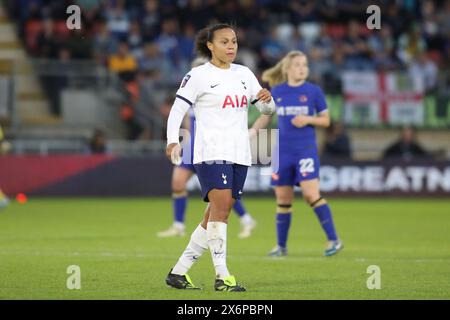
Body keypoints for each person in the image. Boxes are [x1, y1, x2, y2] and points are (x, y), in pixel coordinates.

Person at [164, 23, 275, 291]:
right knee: (222, 209)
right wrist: (171, 141)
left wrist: (267, 100)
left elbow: (267, 109)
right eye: (224, 42)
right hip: (211, 151)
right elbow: (177, 110)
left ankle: (178, 272)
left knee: (216, 211)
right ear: (210, 46)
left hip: (240, 152)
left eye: (234, 41)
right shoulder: (197, 75)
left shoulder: (245, 74)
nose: (231, 46)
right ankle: (222, 276)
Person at [251, 50, 343, 257]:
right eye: (298, 65)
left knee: (311, 194)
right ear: (287, 69)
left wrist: (308, 119)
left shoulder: (313, 91)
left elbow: (326, 120)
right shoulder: (277, 90)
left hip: (305, 151)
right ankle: (281, 247)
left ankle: (334, 240)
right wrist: (252, 132)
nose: (302, 68)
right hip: (282, 153)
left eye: (305, 64)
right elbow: (266, 116)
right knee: (283, 200)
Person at [158, 57, 257, 239]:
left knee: (222, 192)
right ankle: (178, 225)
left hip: (213, 146)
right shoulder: (190, 92)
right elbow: (187, 120)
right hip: (193, 144)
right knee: (178, 182)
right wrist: (181, 141)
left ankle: (246, 218)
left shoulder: (219, 93)